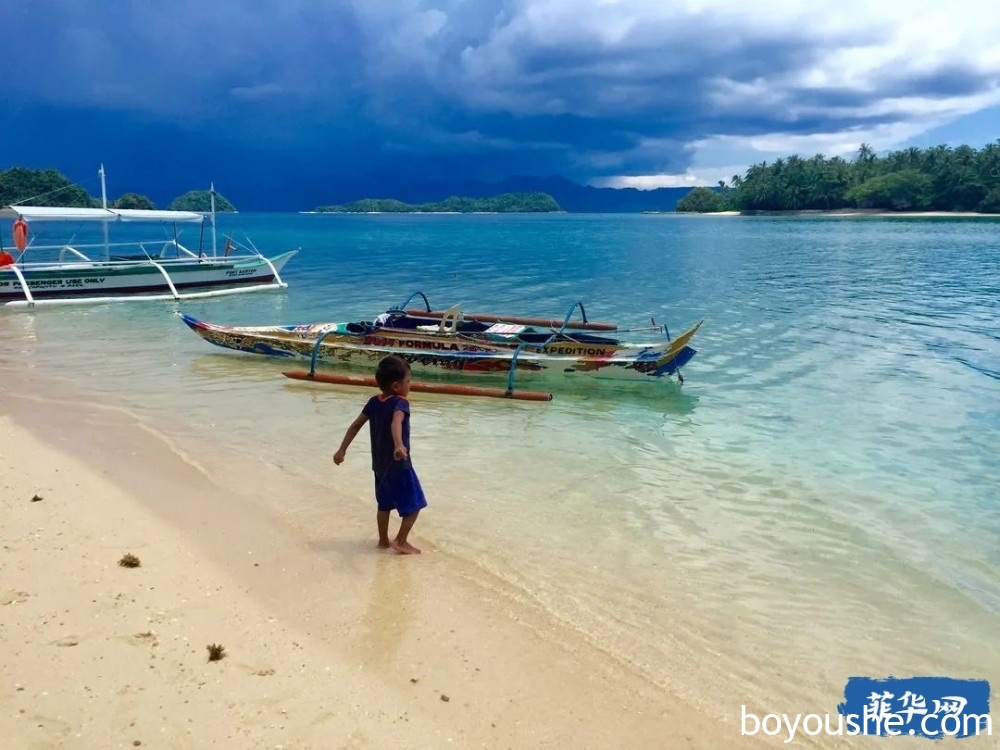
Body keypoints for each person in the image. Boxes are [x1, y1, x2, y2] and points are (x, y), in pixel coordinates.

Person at [333, 355, 427, 554]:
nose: (410, 385)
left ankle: (383, 541)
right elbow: (396, 422)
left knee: (384, 505)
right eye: (408, 381)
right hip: (399, 465)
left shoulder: (373, 402)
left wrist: (342, 450)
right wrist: (399, 446)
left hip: (379, 466)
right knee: (415, 503)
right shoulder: (401, 403)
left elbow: (356, 425)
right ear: (396, 386)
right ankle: (401, 540)